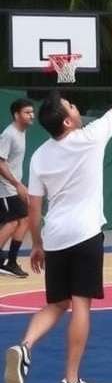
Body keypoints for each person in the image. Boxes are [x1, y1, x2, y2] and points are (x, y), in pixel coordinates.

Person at [3, 35, 112, 383]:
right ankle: (71, 380)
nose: (74, 106)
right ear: (67, 122)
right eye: (70, 104)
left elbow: (34, 208)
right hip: (85, 234)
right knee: (79, 304)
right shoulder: (90, 137)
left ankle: (25, 345)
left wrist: (36, 245)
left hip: (54, 236)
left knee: (55, 303)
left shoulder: (40, 158)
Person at [0, 99, 35, 278]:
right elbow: (0, 163)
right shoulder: (9, 134)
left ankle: (11, 261)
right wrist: (17, 184)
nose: (32, 115)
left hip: (13, 186)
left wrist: (20, 184)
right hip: (5, 188)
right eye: (27, 112)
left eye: (32, 112)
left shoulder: (21, 132)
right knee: (14, 221)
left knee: (24, 220)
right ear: (16, 115)